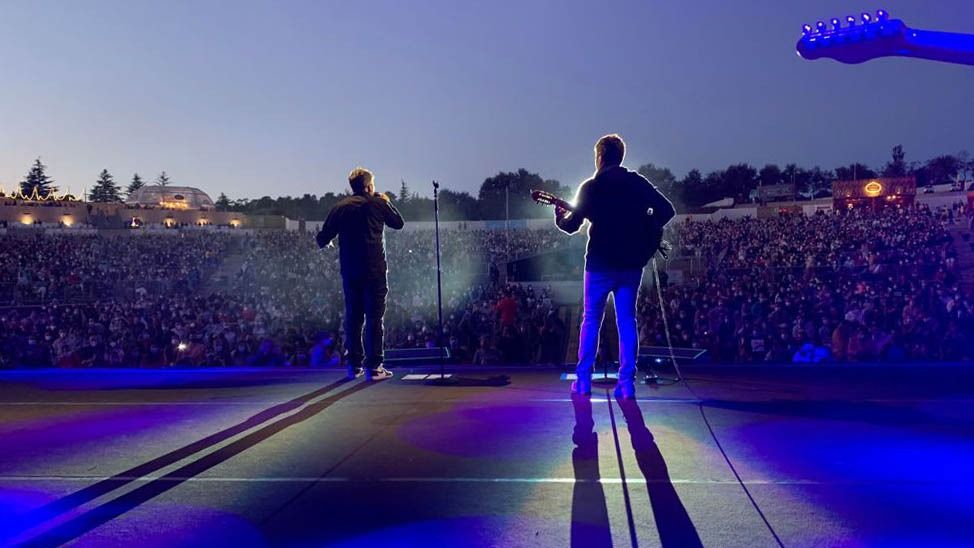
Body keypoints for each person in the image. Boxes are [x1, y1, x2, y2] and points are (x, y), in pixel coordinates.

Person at [555, 134, 675, 398]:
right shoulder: (637, 183)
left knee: (591, 321)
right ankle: (626, 384)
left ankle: (584, 381)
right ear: (620, 157)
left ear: (599, 157)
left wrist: (559, 218)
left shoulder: (591, 187)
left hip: (598, 263)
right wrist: (646, 226)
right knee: (627, 321)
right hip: (631, 264)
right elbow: (666, 210)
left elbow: (572, 225)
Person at [317, 167, 405, 380]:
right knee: (375, 318)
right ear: (368, 186)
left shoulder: (340, 208)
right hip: (375, 270)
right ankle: (374, 367)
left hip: (350, 271)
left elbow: (322, 239)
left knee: (354, 318)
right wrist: (386, 201)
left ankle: (354, 365)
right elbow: (398, 223)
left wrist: (330, 242)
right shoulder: (378, 203)